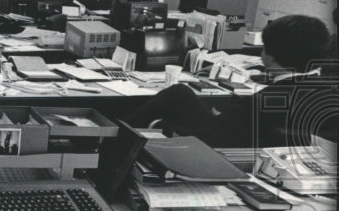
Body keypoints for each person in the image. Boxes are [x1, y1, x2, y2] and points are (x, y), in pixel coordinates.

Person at [125, 14, 336, 147]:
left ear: (269, 55)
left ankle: (117, 138)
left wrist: (160, 125)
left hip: (223, 146)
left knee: (177, 93)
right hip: (264, 147)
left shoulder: (260, 102)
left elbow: (212, 139)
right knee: (181, 94)